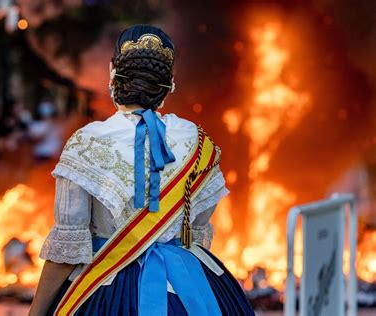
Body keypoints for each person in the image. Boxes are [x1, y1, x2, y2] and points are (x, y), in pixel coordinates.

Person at [30, 25, 254, 316]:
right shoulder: (197, 141)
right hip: (189, 291)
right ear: (169, 85)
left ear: (112, 75)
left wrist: (36, 312)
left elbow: (68, 249)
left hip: (106, 290)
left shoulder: (87, 142)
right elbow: (195, 231)